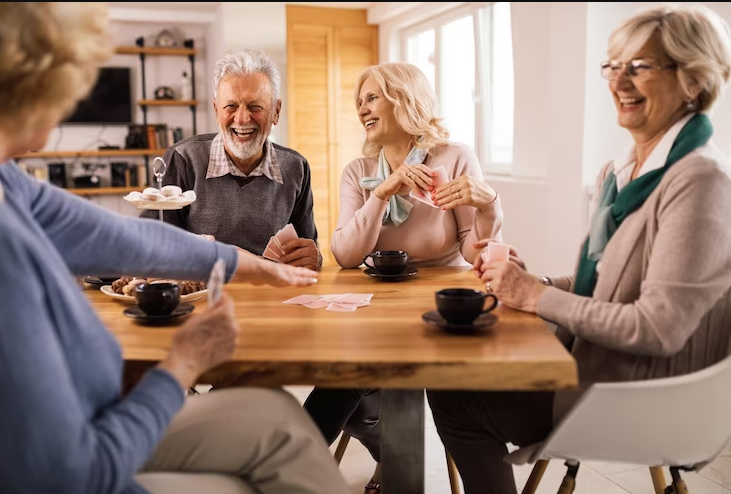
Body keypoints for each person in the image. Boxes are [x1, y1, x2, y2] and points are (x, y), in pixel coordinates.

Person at [0, 4, 350, 494]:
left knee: (276, 412)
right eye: (69, 87)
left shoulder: (10, 184)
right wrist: (181, 366)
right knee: (256, 468)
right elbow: (71, 473)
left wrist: (253, 267)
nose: (70, 104)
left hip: (100, 415)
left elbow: (126, 238)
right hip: (91, 456)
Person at [426, 4, 731, 493]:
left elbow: (657, 329)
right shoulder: (621, 172)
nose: (620, 82)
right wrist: (535, 283)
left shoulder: (699, 181)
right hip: (594, 371)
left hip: (632, 397)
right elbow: (605, 288)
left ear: (694, 80)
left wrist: (536, 297)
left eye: (642, 66)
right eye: (614, 66)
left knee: (452, 390)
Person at [304, 62, 504, 493]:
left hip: (444, 309)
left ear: (404, 100)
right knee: (343, 378)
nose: (362, 109)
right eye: (360, 102)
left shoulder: (454, 157)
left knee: (459, 406)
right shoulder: (359, 172)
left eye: (372, 97)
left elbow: (474, 249)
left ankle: (395, 464)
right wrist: (382, 192)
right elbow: (346, 254)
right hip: (378, 310)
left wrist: (490, 206)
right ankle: (284, 466)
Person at [140, 47, 322, 272]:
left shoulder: (296, 167)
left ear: (276, 111)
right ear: (217, 110)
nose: (243, 118)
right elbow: (152, 244)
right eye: (231, 106)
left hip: (271, 299)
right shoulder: (183, 158)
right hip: (203, 296)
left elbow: (306, 252)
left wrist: (313, 258)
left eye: (256, 106)